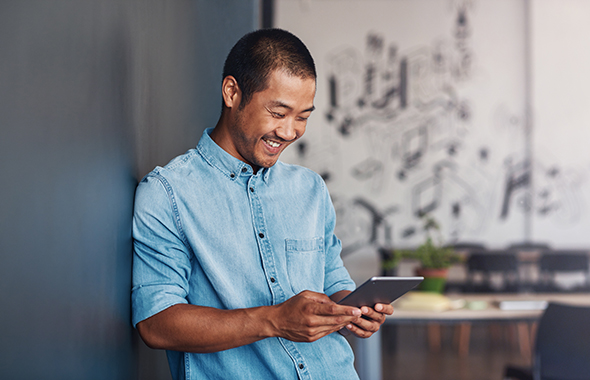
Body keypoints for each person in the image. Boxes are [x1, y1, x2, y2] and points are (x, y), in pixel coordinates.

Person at [131, 28, 393, 380]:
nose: (289, 132)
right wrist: (274, 320)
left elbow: (333, 282)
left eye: (302, 117)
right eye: (278, 112)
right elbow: (155, 323)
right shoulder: (168, 192)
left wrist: (352, 310)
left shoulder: (310, 189)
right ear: (232, 92)